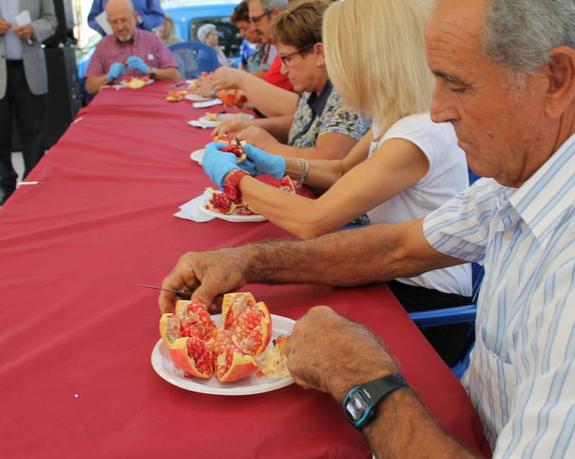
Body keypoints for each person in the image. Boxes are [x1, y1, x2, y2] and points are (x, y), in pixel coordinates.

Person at [159, 0, 575, 455]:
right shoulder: (513, 182)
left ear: (555, 79)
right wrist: (247, 259)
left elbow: (329, 218)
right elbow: (398, 246)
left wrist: (361, 378)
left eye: (456, 83)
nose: (437, 110)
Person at [202, 0, 470, 364]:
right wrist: (279, 164)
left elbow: (313, 219)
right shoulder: (392, 118)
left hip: (421, 305)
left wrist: (234, 179)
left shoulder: (419, 133)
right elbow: (343, 170)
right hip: (386, 270)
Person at [202, 0, 370, 161]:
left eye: (287, 58)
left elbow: (327, 161)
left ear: (319, 53)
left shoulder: (347, 96)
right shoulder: (316, 88)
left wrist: (269, 147)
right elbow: (301, 123)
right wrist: (252, 127)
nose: (283, 70)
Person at [0, 0, 57, 206]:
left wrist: (33, 28)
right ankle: (5, 185)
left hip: (30, 69)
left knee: (34, 133)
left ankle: (34, 185)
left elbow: (51, 21)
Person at [85, 0, 179, 94]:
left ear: (135, 17)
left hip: (150, 99)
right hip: (117, 103)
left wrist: (150, 70)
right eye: (114, 22)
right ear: (108, 22)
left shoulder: (153, 41)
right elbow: (89, 87)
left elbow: (175, 76)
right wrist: (107, 77)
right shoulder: (102, 47)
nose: (120, 27)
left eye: (124, 20)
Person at [230, 1, 267, 75]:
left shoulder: (273, 47)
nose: (241, 34)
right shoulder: (261, 47)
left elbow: (264, 75)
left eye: (244, 29)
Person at [88, 0, 164, 36]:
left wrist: (141, 20)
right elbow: (92, 19)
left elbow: (158, 16)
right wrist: (108, 27)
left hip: (143, 46)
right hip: (112, 48)